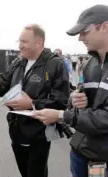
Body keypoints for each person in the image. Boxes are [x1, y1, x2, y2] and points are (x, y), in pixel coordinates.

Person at [0, 24, 70, 177]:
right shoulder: (19, 61)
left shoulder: (55, 64)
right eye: (19, 41)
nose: (19, 45)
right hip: (16, 130)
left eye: (24, 42)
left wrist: (32, 104)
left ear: (39, 43)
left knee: (36, 173)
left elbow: (62, 102)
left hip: (39, 133)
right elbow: (3, 81)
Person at [31, 4, 108, 177]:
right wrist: (75, 99)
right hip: (81, 153)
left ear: (104, 27)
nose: (80, 38)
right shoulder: (90, 64)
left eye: (85, 32)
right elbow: (86, 105)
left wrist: (61, 116)